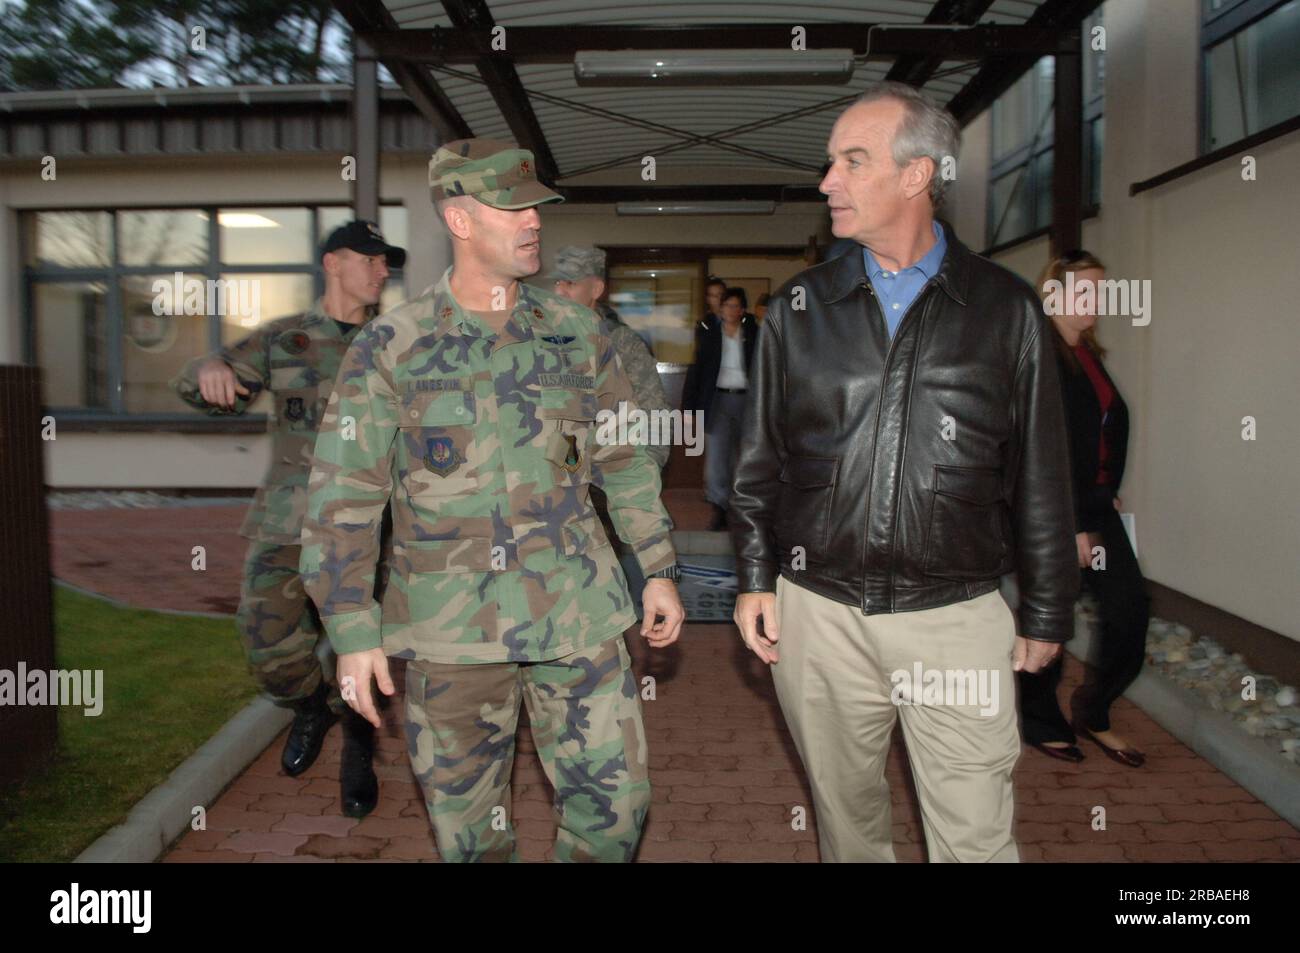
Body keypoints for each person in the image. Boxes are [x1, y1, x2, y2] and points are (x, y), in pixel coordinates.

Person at [299, 139, 685, 863]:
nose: (534, 220)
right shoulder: (393, 345)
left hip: (579, 611)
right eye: (513, 207)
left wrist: (657, 561)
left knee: (618, 808)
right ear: (460, 218)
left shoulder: (576, 334)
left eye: (537, 205)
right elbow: (344, 493)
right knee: (472, 835)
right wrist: (351, 629)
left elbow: (623, 453)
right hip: (452, 630)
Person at [730, 82, 1079, 863]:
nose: (828, 182)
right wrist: (755, 575)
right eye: (829, 163)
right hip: (817, 613)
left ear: (918, 174)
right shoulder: (797, 309)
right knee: (849, 827)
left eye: (853, 162)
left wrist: (1050, 606)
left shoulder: (1004, 308)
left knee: (976, 834)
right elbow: (760, 461)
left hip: (954, 616)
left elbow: (1042, 476)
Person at [171, 220, 405, 818]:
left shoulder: (400, 342)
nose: (383, 270)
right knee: (267, 644)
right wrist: (205, 369)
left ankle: (358, 741)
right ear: (332, 262)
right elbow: (206, 384)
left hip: (371, 526)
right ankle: (311, 707)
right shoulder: (286, 339)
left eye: (387, 262)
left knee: (362, 645)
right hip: (288, 519)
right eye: (371, 258)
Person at [1018, 249, 1151, 767]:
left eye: (1101, 289)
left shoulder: (1089, 354)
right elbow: (1043, 448)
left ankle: (1093, 710)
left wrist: (1107, 483)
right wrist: (1071, 524)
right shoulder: (1042, 356)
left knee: (1130, 611)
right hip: (1056, 512)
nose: (1098, 299)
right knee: (1051, 617)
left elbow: (1103, 429)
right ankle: (1040, 720)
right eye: (1086, 289)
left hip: (1096, 506)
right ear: (1052, 294)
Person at [548, 245, 671, 470]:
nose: (559, 292)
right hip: (554, 479)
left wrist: (644, 475)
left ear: (595, 289)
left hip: (607, 477)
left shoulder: (622, 343)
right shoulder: (542, 340)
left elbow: (655, 415)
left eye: (571, 283)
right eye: (557, 282)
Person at [682, 287, 758, 530]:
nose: (731, 310)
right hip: (717, 400)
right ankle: (719, 507)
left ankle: (741, 508)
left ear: (743, 310)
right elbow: (697, 371)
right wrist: (689, 408)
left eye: (736, 306)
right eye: (727, 305)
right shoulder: (710, 335)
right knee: (716, 458)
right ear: (721, 309)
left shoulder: (755, 334)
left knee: (744, 457)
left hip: (747, 400)